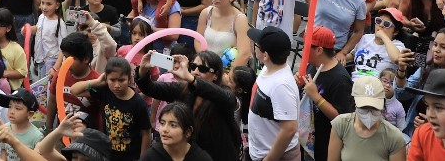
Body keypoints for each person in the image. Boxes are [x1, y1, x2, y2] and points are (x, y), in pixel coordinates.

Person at [136, 49, 241, 160]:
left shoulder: (224, 93)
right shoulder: (184, 89)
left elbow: (227, 100)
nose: (195, 71)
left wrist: (192, 79)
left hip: (219, 155)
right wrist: (143, 70)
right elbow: (150, 88)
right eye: (193, 66)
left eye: (202, 69)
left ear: (216, 75)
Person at [69, 57, 151, 160]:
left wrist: (143, 158)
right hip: (107, 153)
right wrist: (96, 82)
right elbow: (74, 90)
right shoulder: (105, 91)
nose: (117, 85)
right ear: (106, 78)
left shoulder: (138, 103)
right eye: (112, 80)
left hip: (130, 156)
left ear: (129, 79)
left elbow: (146, 133)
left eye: (121, 80)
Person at [247, 25, 301, 161]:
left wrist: (269, 159)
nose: (254, 45)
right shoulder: (270, 67)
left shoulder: (281, 86)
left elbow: (289, 129)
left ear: (265, 55)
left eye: (257, 45)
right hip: (259, 151)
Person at [302, 25, 355, 161]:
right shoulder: (312, 65)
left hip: (326, 144)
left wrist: (316, 97)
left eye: (306, 46)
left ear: (319, 50)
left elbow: (342, 119)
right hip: (309, 137)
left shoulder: (340, 79)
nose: (303, 50)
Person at [327, 75, 406, 161]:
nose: (369, 113)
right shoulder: (341, 124)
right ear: (355, 104)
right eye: (364, 108)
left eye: (374, 108)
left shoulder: (394, 137)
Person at [139, 102, 215, 161]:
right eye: (162, 123)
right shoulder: (150, 156)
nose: (165, 129)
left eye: (173, 125)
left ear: (188, 132)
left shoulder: (201, 158)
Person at [0, 88, 44, 161]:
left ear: (30, 114)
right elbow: (4, 150)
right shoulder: (5, 128)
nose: (11, 111)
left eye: (17, 108)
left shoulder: (37, 136)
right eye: (9, 106)